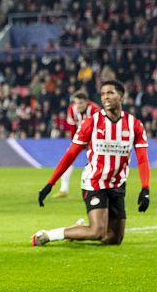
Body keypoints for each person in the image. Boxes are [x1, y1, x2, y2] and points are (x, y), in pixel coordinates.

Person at [33, 80, 150, 246]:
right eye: (103, 94)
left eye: (110, 93)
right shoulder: (92, 122)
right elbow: (71, 154)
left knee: (114, 239)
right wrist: (50, 183)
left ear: (121, 96)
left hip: (117, 184)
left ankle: (78, 230)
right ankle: (48, 235)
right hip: (94, 182)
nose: (106, 97)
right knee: (97, 231)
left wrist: (145, 188)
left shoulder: (134, 125)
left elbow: (143, 159)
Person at [53, 91, 100, 198]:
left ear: (87, 102)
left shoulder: (94, 109)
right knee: (67, 159)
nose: (78, 105)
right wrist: (75, 142)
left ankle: (96, 189)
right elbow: (73, 127)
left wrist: (91, 142)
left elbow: (100, 128)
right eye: (76, 102)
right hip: (80, 138)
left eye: (81, 103)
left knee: (96, 163)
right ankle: (63, 189)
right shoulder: (71, 109)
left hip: (95, 139)